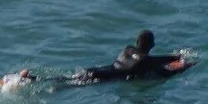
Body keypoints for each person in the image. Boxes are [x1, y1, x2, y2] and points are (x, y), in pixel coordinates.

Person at [60, 30, 188, 87]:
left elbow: (156, 60)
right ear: (152, 45)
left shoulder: (128, 49)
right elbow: (166, 73)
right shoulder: (145, 61)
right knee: (69, 87)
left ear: (136, 42)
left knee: (66, 79)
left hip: (95, 70)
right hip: (103, 78)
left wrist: (174, 58)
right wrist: (186, 65)